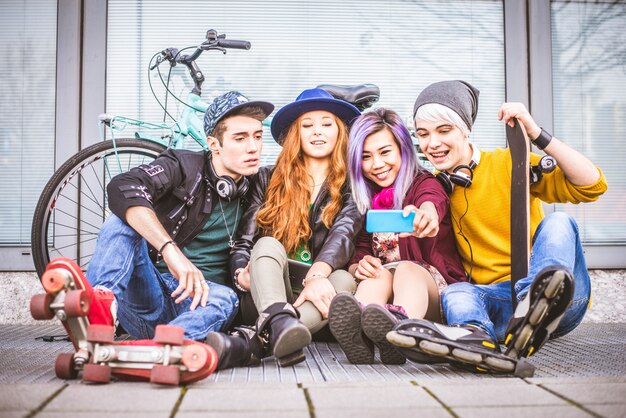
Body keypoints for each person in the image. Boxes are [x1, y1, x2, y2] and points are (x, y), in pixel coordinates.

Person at [389, 80, 607, 370]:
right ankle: (475, 341)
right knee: (456, 292)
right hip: (501, 303)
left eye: (444, 131)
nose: (432, 144)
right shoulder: (433, 188)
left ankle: (537, 300)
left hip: (562, 297)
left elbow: (592, 185)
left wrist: (537, 135)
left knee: (559, 221)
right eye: (423, 135)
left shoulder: (508, 163)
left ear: (465, 130)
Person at [85, 91, 274, 342]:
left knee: (227, 298)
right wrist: (169, 250)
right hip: (150, 291)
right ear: (214, 144)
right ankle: (97, 310)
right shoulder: (183, 165)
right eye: (240, 138)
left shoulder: (258, 186)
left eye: (257, 137)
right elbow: (124, 185)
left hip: (203, 303)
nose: (253, 147)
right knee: (124, 218)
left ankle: (166, 345)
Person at [205, 88, 363, 369]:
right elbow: (243, 241)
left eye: (327, 124)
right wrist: (241, 273)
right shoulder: (267, 177)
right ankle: (277, 323)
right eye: (308, 125)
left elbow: (344, 234)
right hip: (264, 290)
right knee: (267, 245)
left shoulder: (353, 184)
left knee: (343, 281)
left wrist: (315, 277)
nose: (318, 132)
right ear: (295, 134)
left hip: (315, 300)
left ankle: (260, 341)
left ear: (339, 132)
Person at [327, 108, 467, 365]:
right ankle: (363, 335)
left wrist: (426, 216)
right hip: (387, 300)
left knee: (406, 270)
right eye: (366, 157)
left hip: (433, 296)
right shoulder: (367, 198)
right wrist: (360, 265)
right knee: (375, 275)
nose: (376, 164)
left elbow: (432, 202)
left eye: (385, 152)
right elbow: (360, 249)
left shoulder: (424, 182)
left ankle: (398, 329)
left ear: (403, 148)